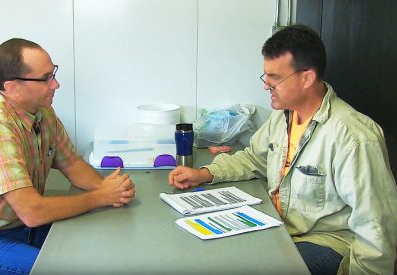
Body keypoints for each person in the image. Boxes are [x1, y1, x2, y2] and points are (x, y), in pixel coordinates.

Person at [168, 25, 397, 274]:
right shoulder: (284, 115)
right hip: (279, 228)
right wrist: (205, 173)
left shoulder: (354, 137)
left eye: (275, 78)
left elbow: (376, 227)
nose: (266, 85)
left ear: (306, 77)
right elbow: (254, 157)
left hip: (326, 242)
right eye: (265, 76)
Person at [0, 38, 136, 274]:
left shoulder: (43, 112)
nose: (56, 85)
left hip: (23, 226)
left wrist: (112, 190)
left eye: (53, 74)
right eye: (45, 78)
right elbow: (32, 211)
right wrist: (100, 197)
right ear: (12, 88)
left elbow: (71, 163)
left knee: (99, 247)